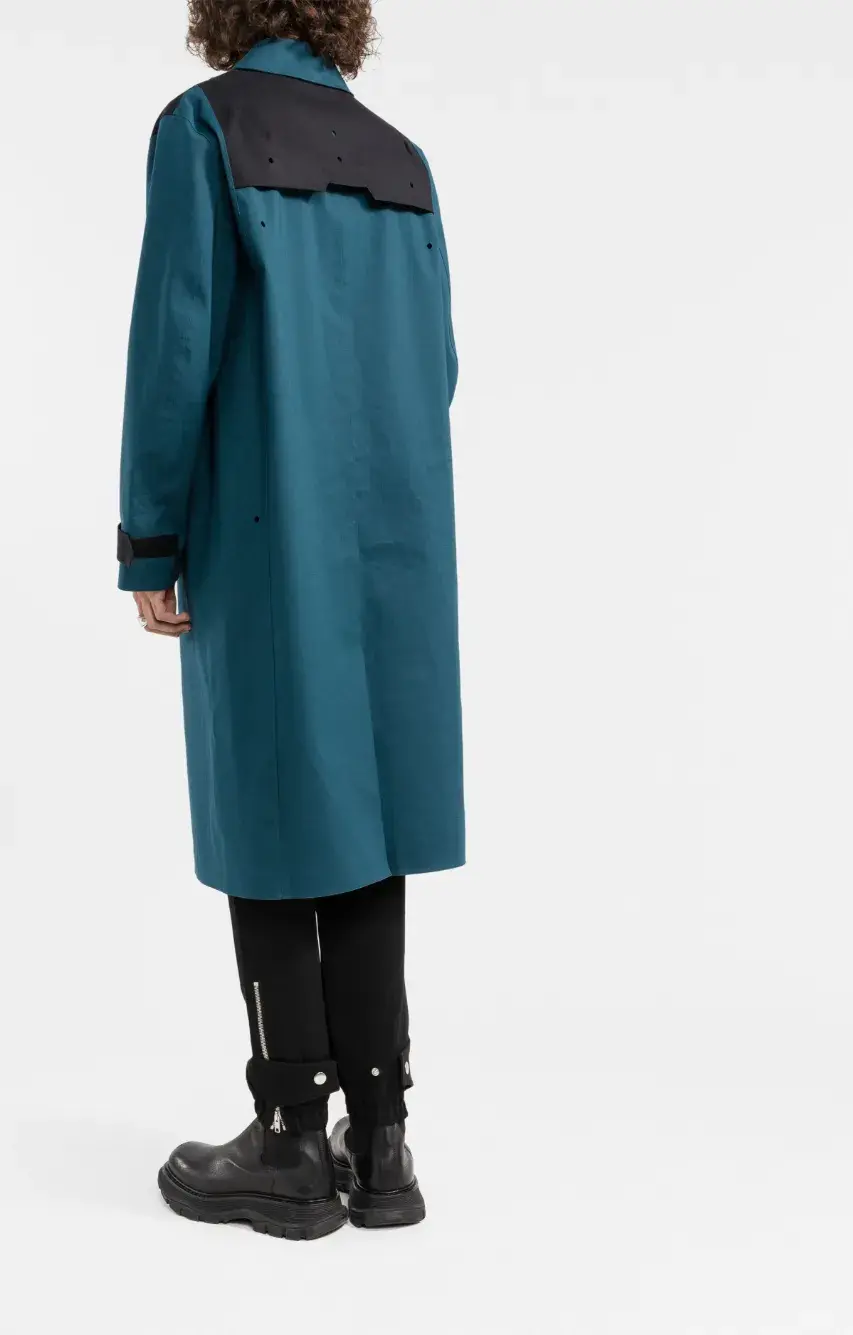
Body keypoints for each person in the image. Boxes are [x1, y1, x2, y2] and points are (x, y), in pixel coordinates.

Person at [116, 0, 463, 1241]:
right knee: (371, 812)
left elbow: (177, 346)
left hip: (268, 526)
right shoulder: (400, 158)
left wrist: (151, 537)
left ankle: (288, 1142)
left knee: (271, 807)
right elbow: (439, 365)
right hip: (399, 540)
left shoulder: (205, 129)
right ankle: (383, 1140)